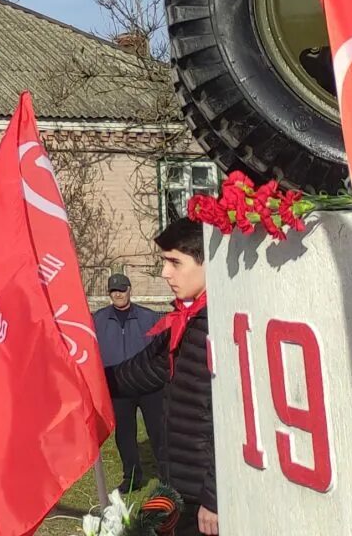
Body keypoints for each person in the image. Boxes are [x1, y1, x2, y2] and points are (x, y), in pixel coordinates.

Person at [107, 220, 216, 536]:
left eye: (175, 263)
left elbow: (230, 420)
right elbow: (141, 370)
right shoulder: (186, 320)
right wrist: (91, 381)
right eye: (164, 262)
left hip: (207, 498)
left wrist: (215, 497)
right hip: (182, 484)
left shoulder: (217, 325)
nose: (165, 273)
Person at [95, 272, 165, 494]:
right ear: (109, 294)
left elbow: (163, 348)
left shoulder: (149, 317)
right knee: (125, 434)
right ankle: (132, 477)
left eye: (122, 290)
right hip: (118, 386)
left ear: (130, 290)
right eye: (114, 291)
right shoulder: (98, 320)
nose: (118, 294)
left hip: (148, 386)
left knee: (158, 431)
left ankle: (168, 475)